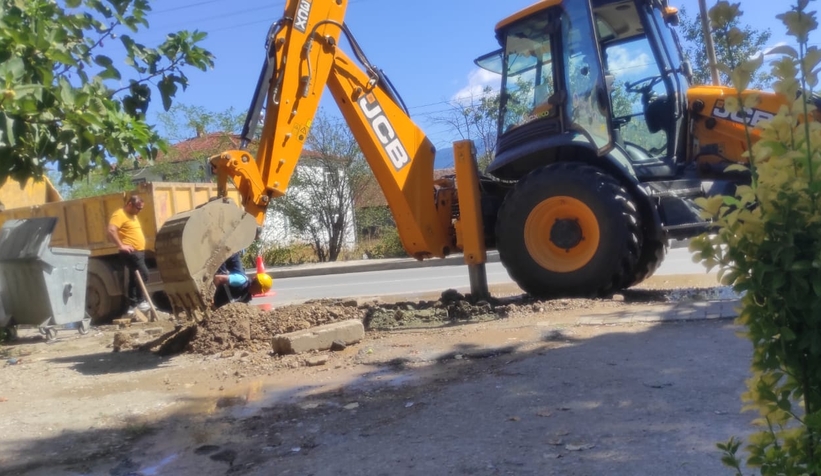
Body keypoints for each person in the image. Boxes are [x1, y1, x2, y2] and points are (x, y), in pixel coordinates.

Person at [107, 195, 150, 315]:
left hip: (138, 252)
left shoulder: (133, 215)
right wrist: (121, 245)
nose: (139, 211)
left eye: (141, 209)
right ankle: (141, 302)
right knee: (144, 274)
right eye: (138, 208)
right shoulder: (119, 214)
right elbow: (111, 230)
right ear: (130, 204)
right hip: (130, 252)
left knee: (133, 278)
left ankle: (133, 305)